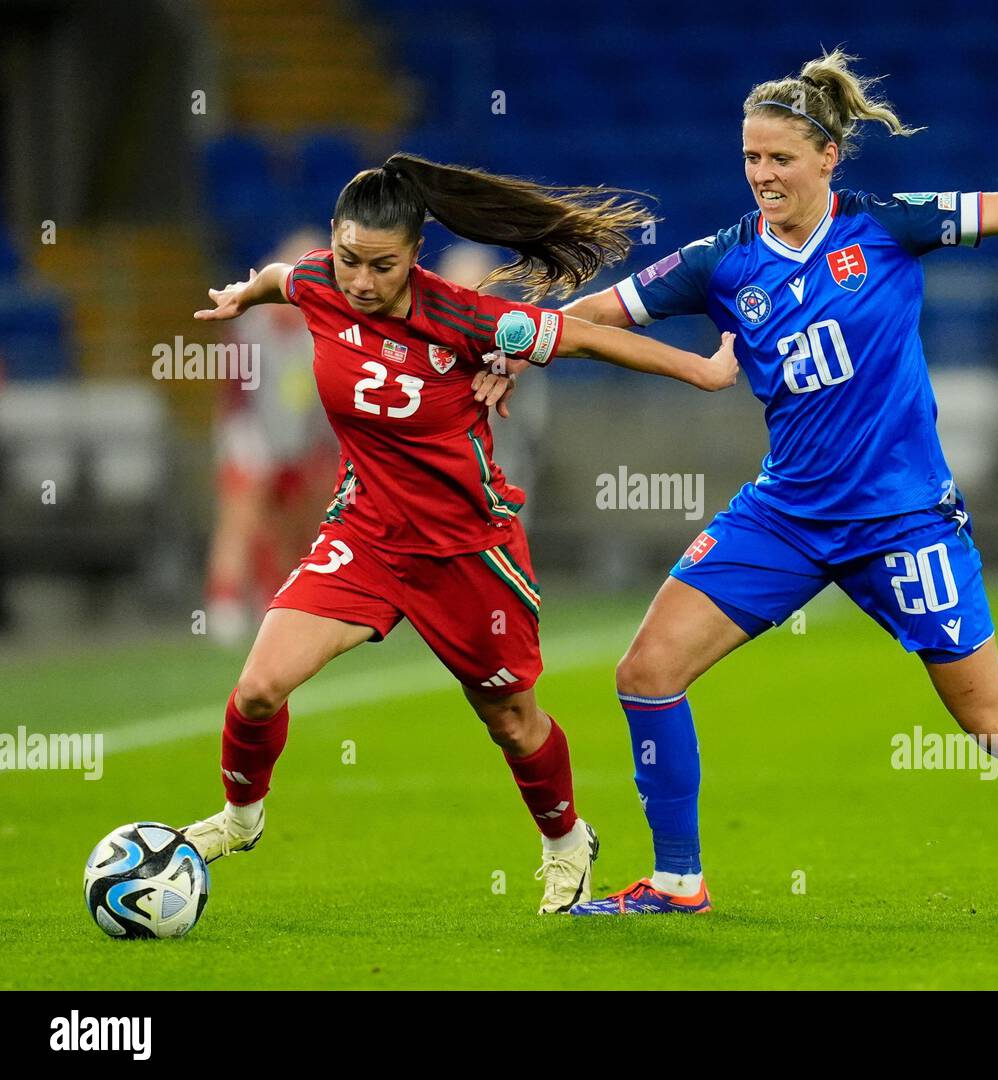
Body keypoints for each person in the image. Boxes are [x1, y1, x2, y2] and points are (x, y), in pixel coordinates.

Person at [485, 49, 998, 914]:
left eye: (779, 158)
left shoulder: (888, 226)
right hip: (785, 516)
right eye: (750, 157)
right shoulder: (722, 260)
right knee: (647, 671)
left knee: (989, 721)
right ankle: (677, 882)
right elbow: (599, 313)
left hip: (903, 522)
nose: (762, 174)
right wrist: (520, 345)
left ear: (827, 158)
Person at [185, 153, 737, 914]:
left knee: (511, 722)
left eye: (381, 266)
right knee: (256, 691)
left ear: (415, 254)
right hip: (368, 535)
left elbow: (587, 339)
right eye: (350, 261)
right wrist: (244, 295)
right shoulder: (319, 281)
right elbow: (286, 279)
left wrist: (702, 372)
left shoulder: (470, 319)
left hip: (467, 551)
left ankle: (565, 839)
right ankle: (240, 820)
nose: (360, 282)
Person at [205, 228, 338, 645]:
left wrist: (314, 450)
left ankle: (278, 599)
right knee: (240, 518)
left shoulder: (317, 332)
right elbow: (235, 396)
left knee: (291, 527)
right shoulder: (250, 326)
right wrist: (249, 447)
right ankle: (223, 603)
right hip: (249, 439)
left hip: (298, 445)